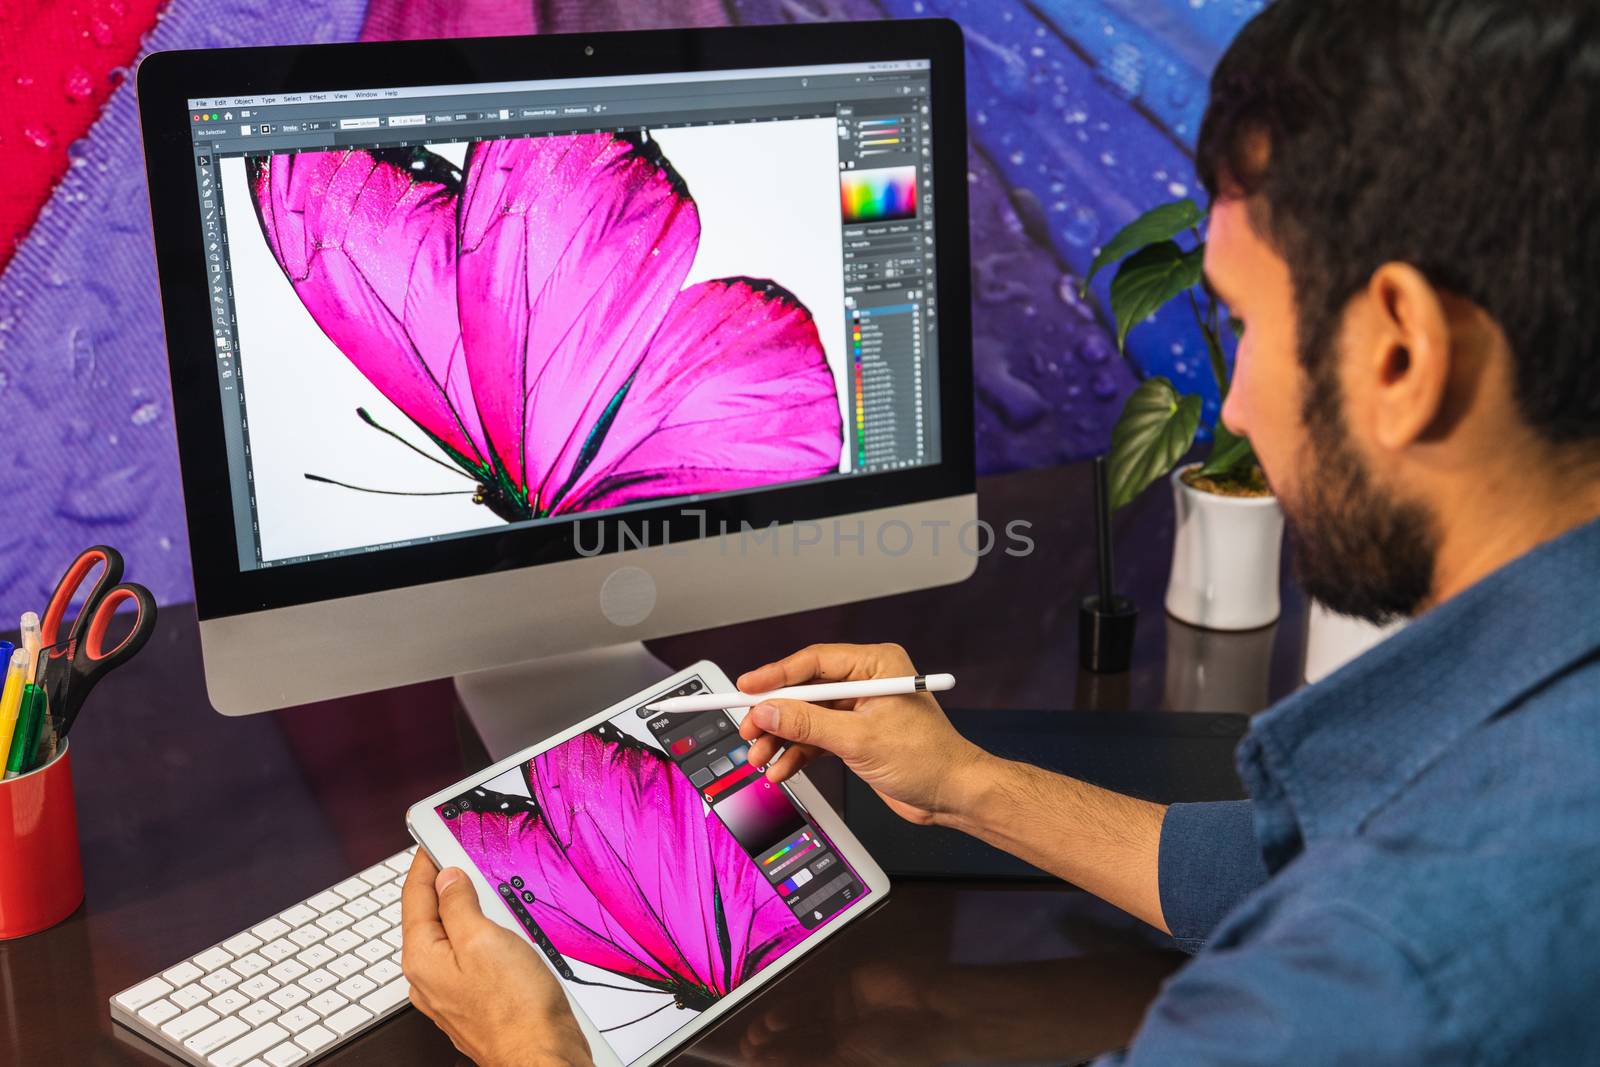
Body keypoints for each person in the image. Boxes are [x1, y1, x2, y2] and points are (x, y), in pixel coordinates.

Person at [400, 0, 1600, 1062]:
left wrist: (536, 1051)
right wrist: (972, 786)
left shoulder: (1376, 979)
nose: (1230, 408)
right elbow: (1294, 857)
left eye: (1246, 321)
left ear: (1399, 348)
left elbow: (1360, 924)